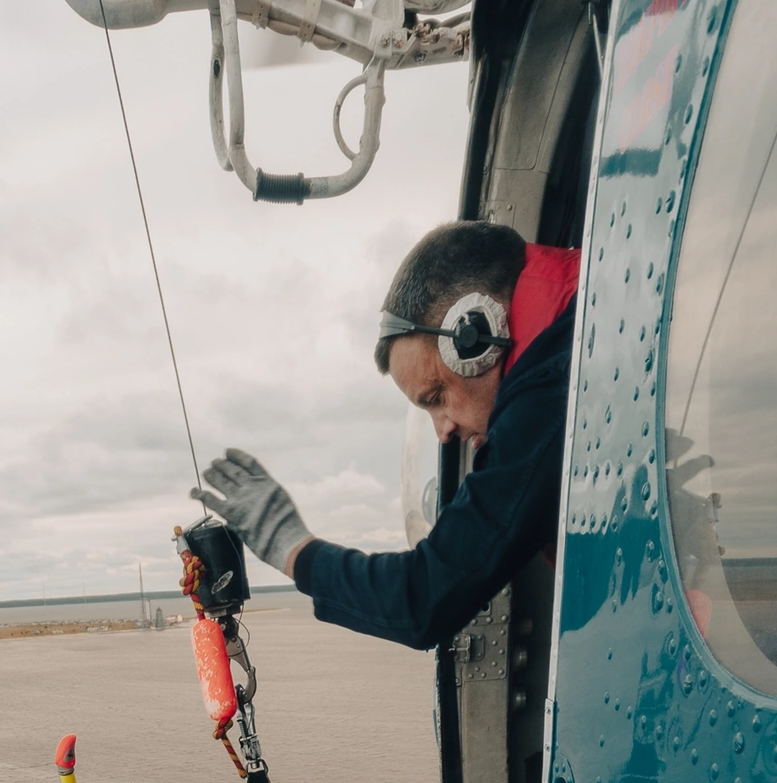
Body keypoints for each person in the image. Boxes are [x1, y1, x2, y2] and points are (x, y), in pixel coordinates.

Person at [190, 220, 580, 650]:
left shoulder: (549, 392)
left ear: (476, 335)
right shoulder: (582, 308)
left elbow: (422, 599)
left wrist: (292, 547)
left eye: (436, 396)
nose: (444, 429)